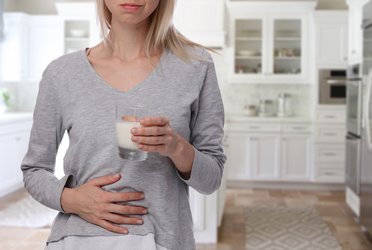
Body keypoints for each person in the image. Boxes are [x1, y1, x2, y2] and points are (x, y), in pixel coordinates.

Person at [21, 0, 226, 249]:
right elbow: (34, 170)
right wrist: (72, 199)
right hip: (79, 240)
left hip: (164, 240)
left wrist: (176, 148)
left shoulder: (196, 66)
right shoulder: (61, 73)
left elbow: (211, 179)